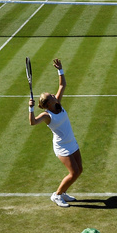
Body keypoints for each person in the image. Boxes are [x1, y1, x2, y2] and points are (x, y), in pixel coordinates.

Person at [28, 59, 82, 207]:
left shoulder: (57, 103)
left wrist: (60, 70)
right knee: (73, 172)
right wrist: (31, 108)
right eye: (51, 96)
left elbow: (62, 85)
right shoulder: (47, 116)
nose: (53, 94)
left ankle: (63, 192)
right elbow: (33, 122)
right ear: (48, 103)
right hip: (62, 147)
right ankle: (57, 195)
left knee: (79, 170)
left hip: (71, 141)